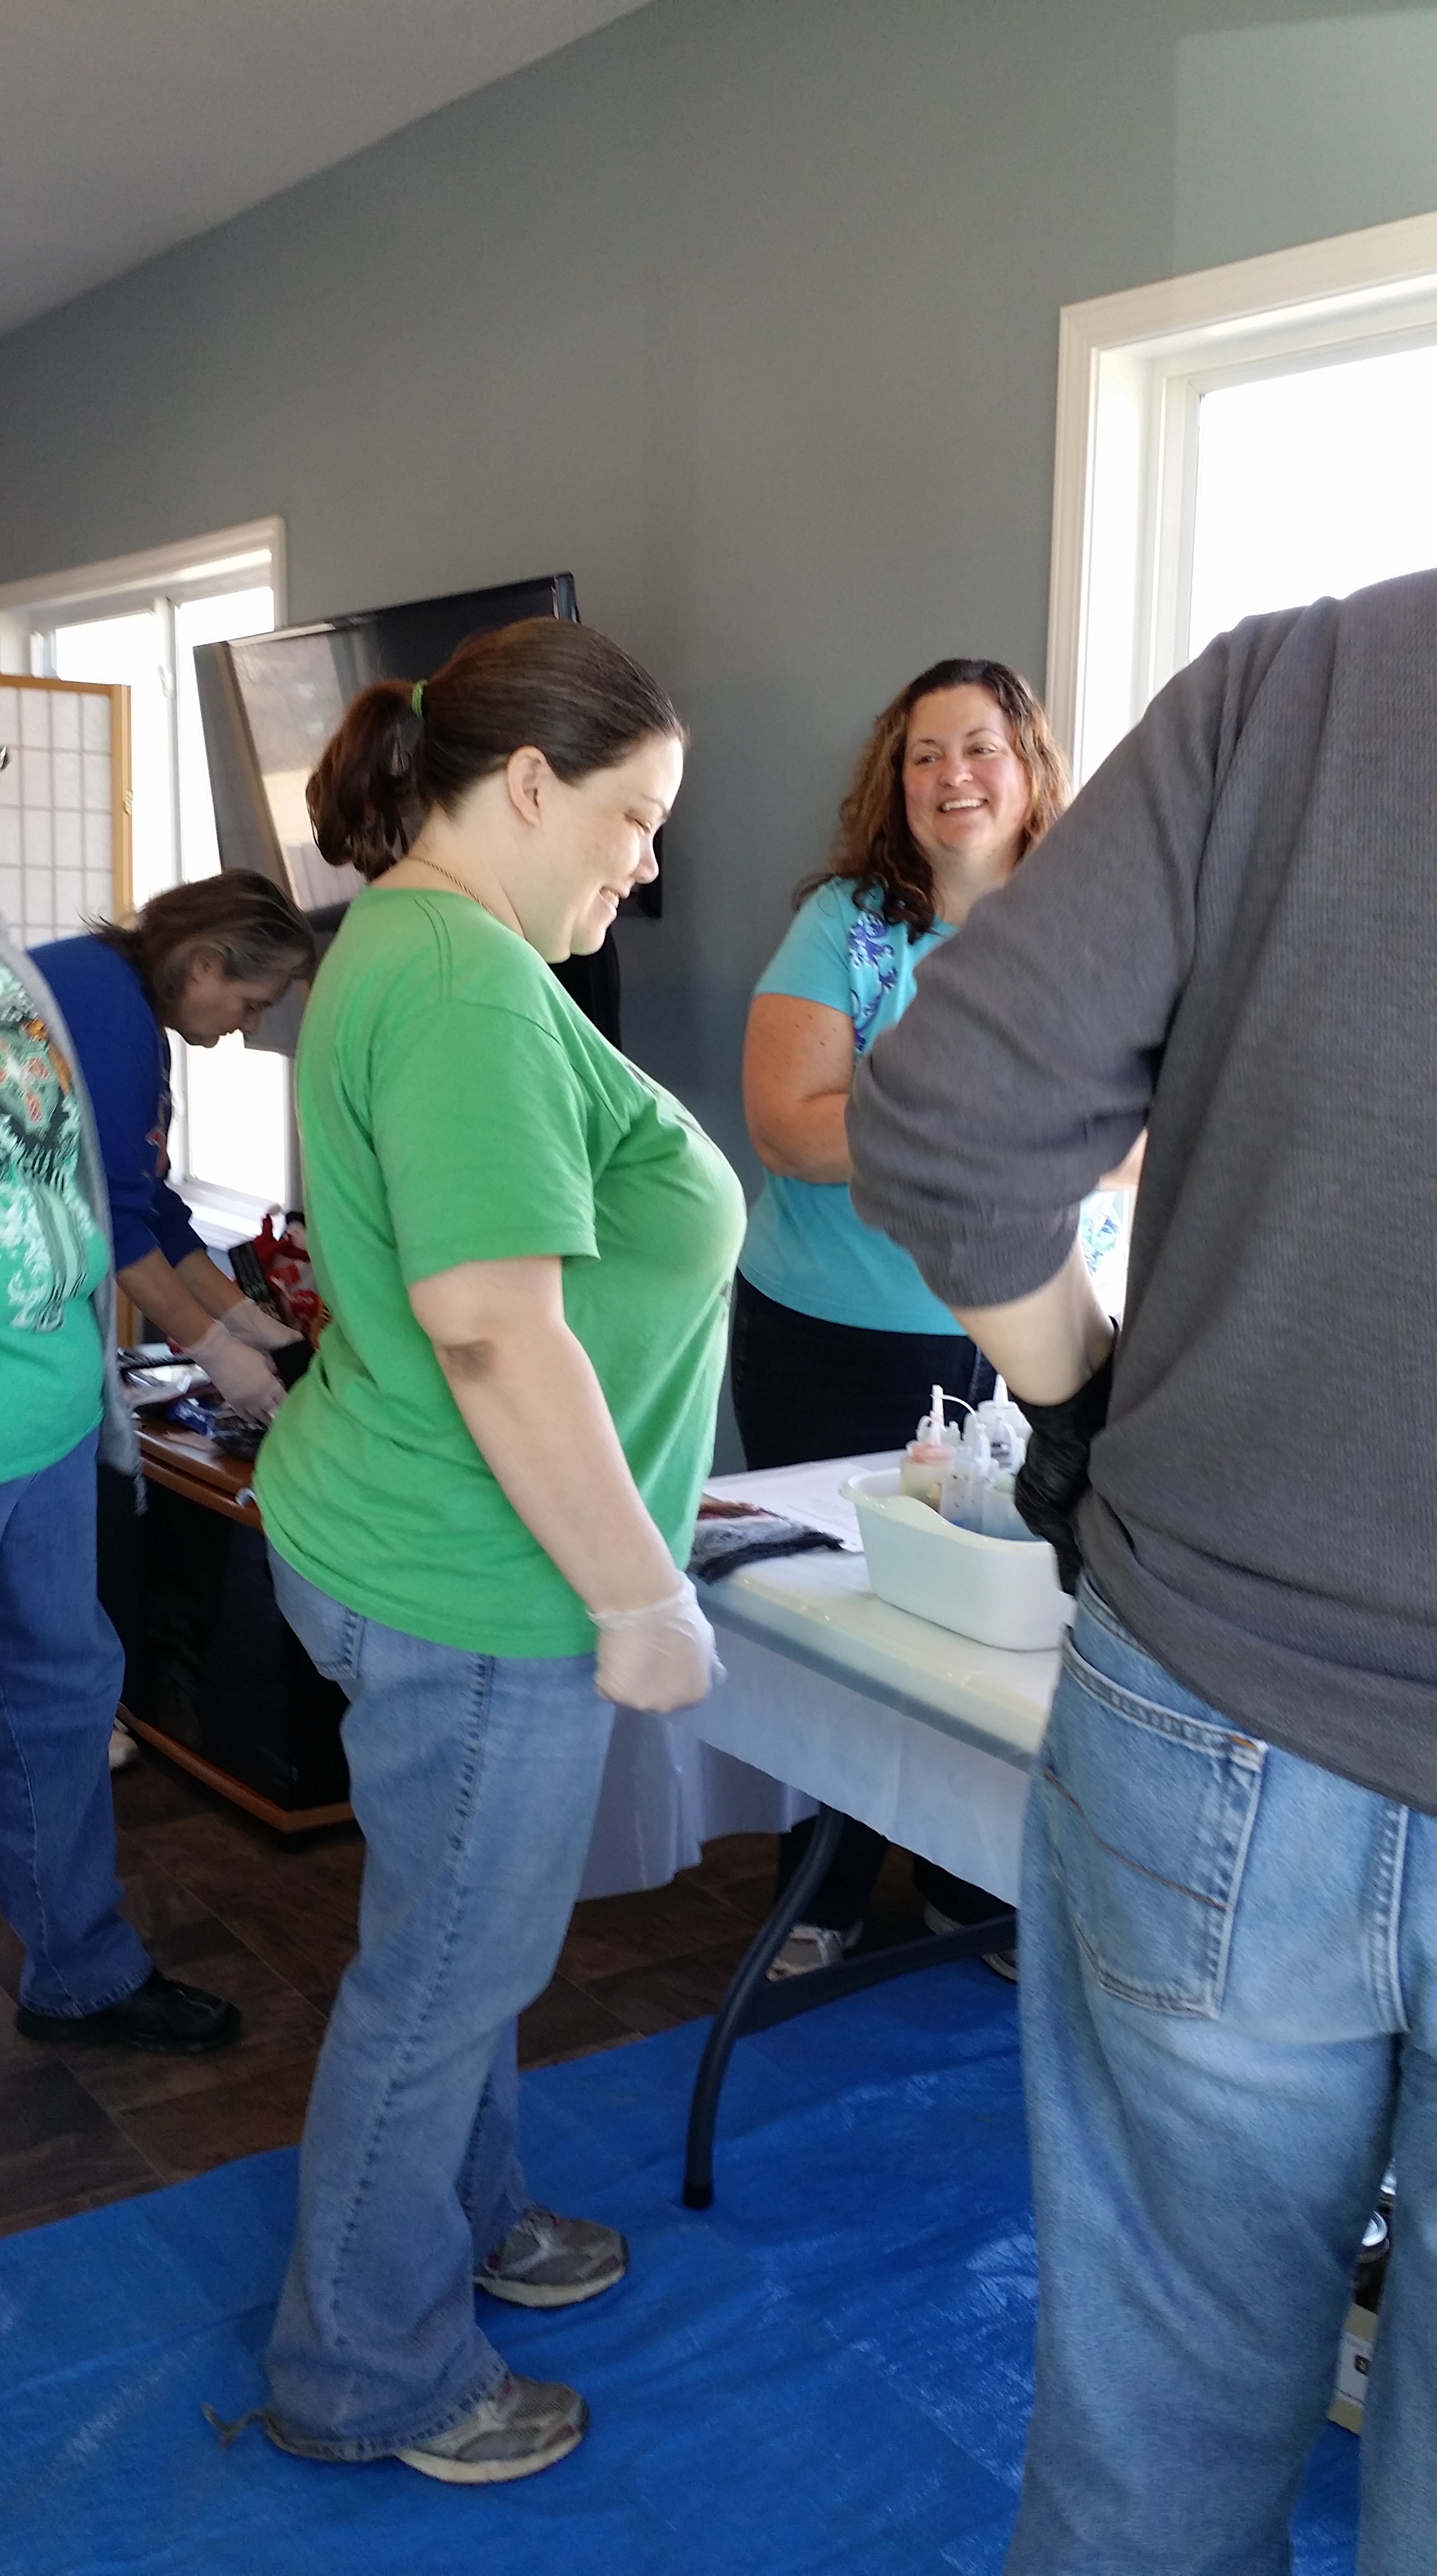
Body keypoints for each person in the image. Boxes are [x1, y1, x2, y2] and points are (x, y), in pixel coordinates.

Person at [847, 572, 1437, 2571]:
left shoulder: (1310, 681)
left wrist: (1079, 1399)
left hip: (1215, 1699)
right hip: (1216, 1676)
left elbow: (944, 1123)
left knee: (1154, 2448)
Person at [247, 619, 745, 2487]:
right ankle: (364, 2370)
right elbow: (488, 1327)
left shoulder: (420, 940)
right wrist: (637, 1589)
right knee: (443, 1975)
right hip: (474, 1583)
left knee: (455, 1941)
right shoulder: (460, 976)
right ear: (528, 783)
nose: (644, 861)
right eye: (632, 816)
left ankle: (464, 2213)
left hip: (417, 1541)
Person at [736, 659, 1070, 1976]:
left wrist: (901, 1115)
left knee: (990, 1620)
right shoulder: (850, 925)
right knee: (843, 1616)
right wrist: (1005, 1128)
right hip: (832, 1336)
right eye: (924, 754)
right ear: (896, 780)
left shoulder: (1089, 921)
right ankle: (818, 1891)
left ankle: (963, 1883)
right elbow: (789, 1130)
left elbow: (1149, 1130)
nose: (951, 776)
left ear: (1028, 766)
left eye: (978, 747)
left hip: (1032, 1336)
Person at [0, 732, 241, 2058]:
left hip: (42, 1411)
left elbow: (78, 1176)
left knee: (61, 1693)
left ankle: (80, 1972)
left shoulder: (9, 962)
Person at [33, 873, 317, 1427]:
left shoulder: (137, 1017)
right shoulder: (110, 1013)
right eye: (251, 1004)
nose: (250, 1025)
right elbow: (113, 1220)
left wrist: (249, 1322)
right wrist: (215, 1350)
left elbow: (151, 1203)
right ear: (205, 964)